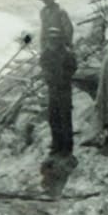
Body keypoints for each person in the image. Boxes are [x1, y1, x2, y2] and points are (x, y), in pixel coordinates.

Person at [40, 27, 77, 156]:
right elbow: (43, 67)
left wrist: (63, 78)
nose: (53, 42)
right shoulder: (46, 53)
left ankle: (67, 146)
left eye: (55, 39)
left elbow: (73, 68)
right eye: (51, 39)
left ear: (59, 40)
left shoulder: (67, 53)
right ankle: (57, 144)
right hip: (53, 90)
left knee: (65, 117)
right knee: (53, 118)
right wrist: (48, 77)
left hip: (64, 90)